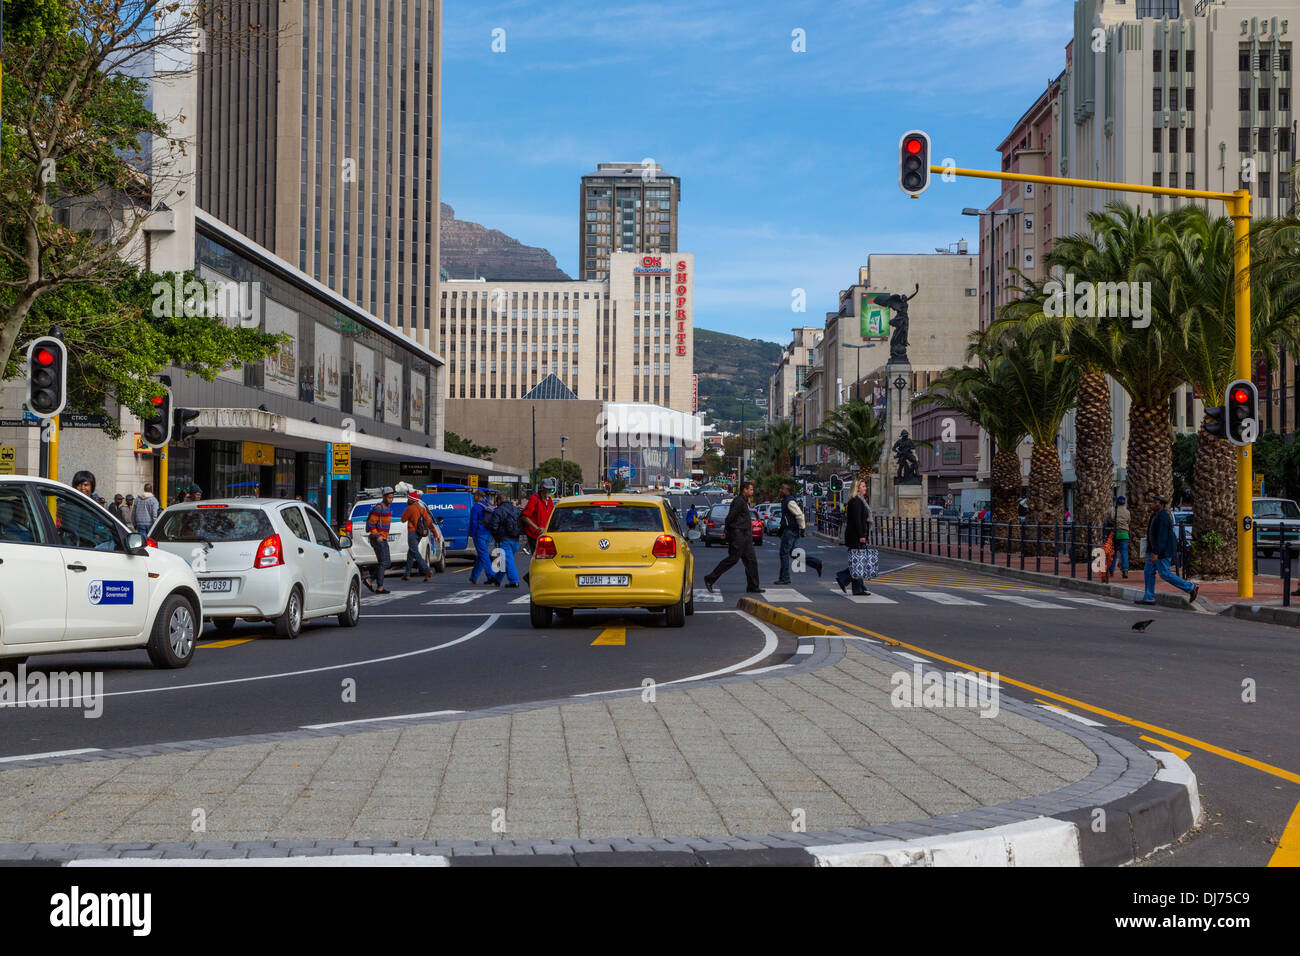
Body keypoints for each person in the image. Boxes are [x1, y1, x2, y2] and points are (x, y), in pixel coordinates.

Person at [703, 480, 762, 594]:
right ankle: (710, 578)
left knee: (751, 561)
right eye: (750, 489)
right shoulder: (738, 501)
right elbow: (729, 518)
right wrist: (727, 532)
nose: (752, 491)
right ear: (744, 490)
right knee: (732, 559)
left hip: (746, 536)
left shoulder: (744, 501)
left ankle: (753, 586)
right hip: (738, 535)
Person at [1138, 493, 1198, 606]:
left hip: (1162, 551)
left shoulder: (1163, 517)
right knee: (1148, 571)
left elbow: (1162, 537)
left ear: (1161, 505)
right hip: (1155, 550)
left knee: (1164, 573)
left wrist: (1156, 552)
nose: (1152, 504)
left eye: (1155, 503)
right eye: (1153, 502)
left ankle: (1191, 587)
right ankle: (1149, 598)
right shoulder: (1155, 515)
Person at [774, 480, 822, 584]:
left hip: (790, 531)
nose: (780, 490)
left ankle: (785, 578)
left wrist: (803, 529)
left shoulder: (790, 501)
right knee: (793, 553)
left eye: (782, 488)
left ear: (788, 491)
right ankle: (816, 563)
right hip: (791, 530)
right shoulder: (786, 500)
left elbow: (800, 515)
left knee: (784, 553)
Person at [835, 479, 873, 595]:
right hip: (856, 537)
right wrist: (861, 536)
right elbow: (857, 521)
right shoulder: (856, 502)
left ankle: (858, 588)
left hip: (856, 535)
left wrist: (868, 522)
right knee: (858, 563)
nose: (865, 488)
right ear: (857, 488)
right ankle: (843, 577)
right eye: (863, 486)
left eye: (865, 486)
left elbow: (861, 519)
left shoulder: (859, 501)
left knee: (858, 562)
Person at [519, 478, 557, 578]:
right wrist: (536, 528)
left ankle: (531, 577)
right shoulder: (534, 499)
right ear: (542, 488)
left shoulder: (550, 501)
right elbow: (524, 516)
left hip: (545, 535)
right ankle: (530, 577)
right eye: (548, 489)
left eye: (551, 489)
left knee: (545, 559)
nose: (550, 491)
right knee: (539, 558)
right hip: (534, 535)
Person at [363, 487, 395, 594]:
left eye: (392, 497)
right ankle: (378, 586)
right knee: (384, 562)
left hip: (383, 538)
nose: (391, 499)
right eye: (389, 497)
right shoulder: (378, 508)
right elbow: (371, 524)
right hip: (378, 539)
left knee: (387, 562)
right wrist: (378, 537)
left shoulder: (387, 507)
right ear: (384, 497)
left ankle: (371, 580)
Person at [399, 490, 434, 583]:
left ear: (412, 500)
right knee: (410, 553)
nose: (407, 501)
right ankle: (407, 574)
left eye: (408, 499)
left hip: (412, 532)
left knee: (414, 551)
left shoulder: (410, 508)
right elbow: (429, 522)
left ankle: (427, 570)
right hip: (420, 533)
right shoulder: (422, 508)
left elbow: (402, 519)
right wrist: (435, 533)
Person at [488, 495, 523, 588]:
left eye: (496, 501)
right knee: (505, 560)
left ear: (499, 500)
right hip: (515, 539)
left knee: (508, 561)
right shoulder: (516, 510)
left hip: (504, 539)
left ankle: (514, 581)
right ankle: (497, 578)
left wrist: (496, 538)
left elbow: (493, 526)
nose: (496, 503)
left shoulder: (498, 511)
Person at [468, 490, 501, 586]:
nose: (474, 497)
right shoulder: (487, 506)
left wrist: (472, 534)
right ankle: (474, 576)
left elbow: (473, 522)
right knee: (481, 555)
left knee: (484, 555)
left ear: (478, 496)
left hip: (479, 533)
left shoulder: (476, 507)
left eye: (475, 495)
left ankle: (491, 575)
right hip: (488, 533)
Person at [1108, 496, 1131, 579]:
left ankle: (1111, 570)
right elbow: (1129, 521)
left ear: (1117, 502)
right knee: (1124, 553)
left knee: (1113, 553)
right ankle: (1125, 570)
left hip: (1116, 534)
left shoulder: (1114, 511)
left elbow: (1110, 519)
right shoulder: (1127, 512)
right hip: (1125, 534)